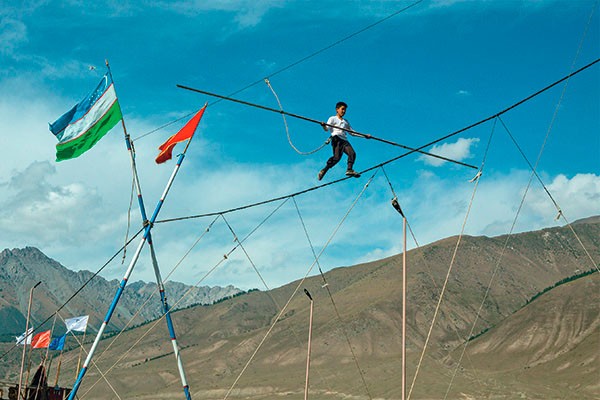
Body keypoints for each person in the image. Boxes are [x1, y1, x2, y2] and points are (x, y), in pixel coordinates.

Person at [318, 101, 369, 180]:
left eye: (345, 110)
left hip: (344, 140)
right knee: (336, 158)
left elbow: (352, 133)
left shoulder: (345, 122)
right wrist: (323, 126)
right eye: (342, 109)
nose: (344, 111)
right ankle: (325, 169)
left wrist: (364, 136)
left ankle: (349, 169)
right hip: (336, 139)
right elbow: (327, 129)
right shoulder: (332, 118)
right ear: (337, 109)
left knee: (352, 153)